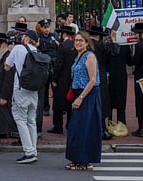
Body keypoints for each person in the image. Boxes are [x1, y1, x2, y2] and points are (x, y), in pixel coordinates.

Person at [65, 31, 102, 171]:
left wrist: (81, 98)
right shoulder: (78, 56)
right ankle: (77, 159)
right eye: (77, 40)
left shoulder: (90, 56)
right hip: (78, 92)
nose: (78, 43)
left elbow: (93, 80)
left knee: (85, 127)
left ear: (87, 43)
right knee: (77, 128)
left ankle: (84, 160)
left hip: (88, 94)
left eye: (81, 40)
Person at [4, 29, 41, 164]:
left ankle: (29, 152)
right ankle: (33, 150)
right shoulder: (36, 50)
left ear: (26, 38)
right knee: (31, 120)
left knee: (20, 120)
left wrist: (11, 51)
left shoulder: (18, 48)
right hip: (34, 89)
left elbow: (7, 66)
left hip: (20, 88)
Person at [88, 25, 118, 140]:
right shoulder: (101, 45)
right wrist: (114, 40)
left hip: (89, 75)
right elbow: (115, 52)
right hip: (100, 75)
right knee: (102, 102)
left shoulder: (88, 46)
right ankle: (102, 129)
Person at [49, 24, 76, 134]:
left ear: (63, 34)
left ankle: (58, 126)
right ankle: (70, 124)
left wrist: (54, 79)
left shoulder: (63, 46)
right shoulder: (76, 44)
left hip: (62, 79)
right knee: (70, 102)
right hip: (72, 77)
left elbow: (58, 64)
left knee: (58, 103)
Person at [107, 39, 131, 126]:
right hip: (121, 76)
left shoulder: (107, 46)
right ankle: (121, 123)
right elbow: (130, 62)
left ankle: (108, 124)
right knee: (121, 101)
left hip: (110, 76)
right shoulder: (125, 46)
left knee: (109, 100)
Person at [37, 19, 58, 116]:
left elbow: (59, 47)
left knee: (55, 86)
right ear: (41, 28)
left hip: (53, 64)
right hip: (44, 65)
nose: (47, 30)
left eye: (48, 27)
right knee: (44, 88)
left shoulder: (53, 36)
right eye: (45, 28)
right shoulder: (39, 37)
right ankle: (45, 107)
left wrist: (57, 42)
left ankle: (57, 108)